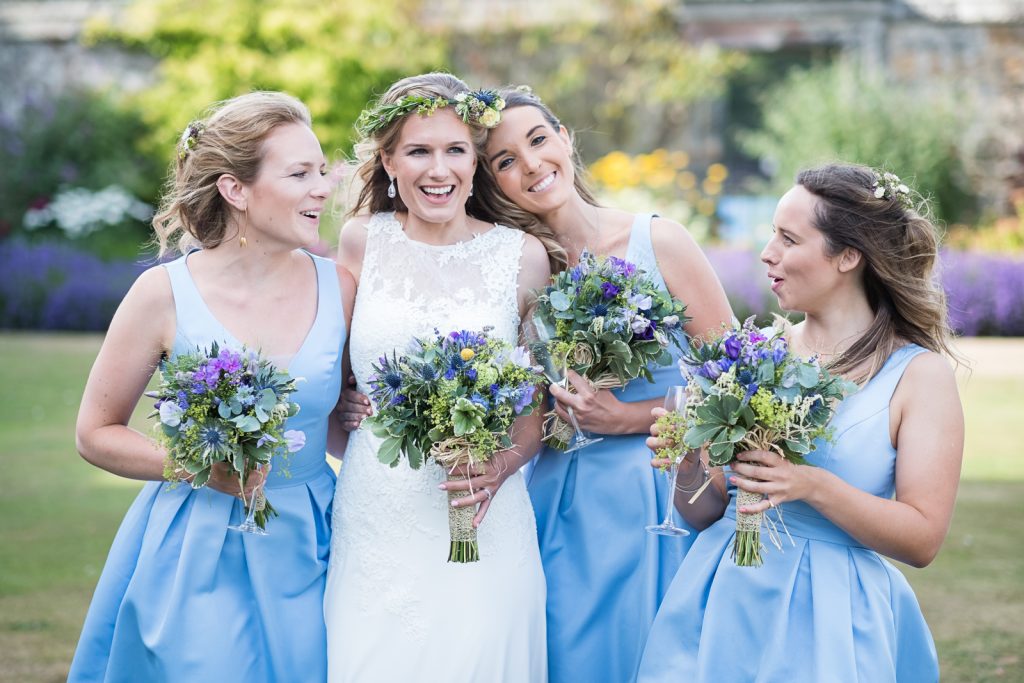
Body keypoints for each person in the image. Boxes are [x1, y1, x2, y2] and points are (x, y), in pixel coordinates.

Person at [337, 85, 734, 683]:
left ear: (566, 138)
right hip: (555, 487)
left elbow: (732, 379)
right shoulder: (530, 257)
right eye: (504, 159)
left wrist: (626, 418)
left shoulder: (653, 242)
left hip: (654, 485)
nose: (530, 164)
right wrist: (348, 400)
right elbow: (531, 397)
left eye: (539, 140)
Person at [637, 163, 964, 683]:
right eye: (772, 234)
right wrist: (687, 463)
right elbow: (706, 513)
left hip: (831, 614)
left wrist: (811, 485)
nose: (767, 252)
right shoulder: (754, 351)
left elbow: (923, 538)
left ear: (848, 256)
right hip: (723, 598)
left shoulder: (919, 376)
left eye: (789, 238)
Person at [67, 91, 355, 683]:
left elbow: (335, 421)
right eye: (300, 173)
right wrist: (194, 467)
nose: (322, 188)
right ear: (236, 190)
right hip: (198, 542)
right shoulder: (162, 294)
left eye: (321, 170)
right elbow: (95, 433)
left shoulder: (343, 288)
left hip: (320, 540)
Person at [322, 73, 552, 683]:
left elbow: (535, 409)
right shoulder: (358, 243)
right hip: (378, 507)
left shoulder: (523, 256)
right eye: (418, 151)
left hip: (485, 506)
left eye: (455, 150)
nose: (438, 169)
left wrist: (498, 468)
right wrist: (344, 408)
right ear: (390, 162)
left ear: (475, 162)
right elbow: (333, 375)